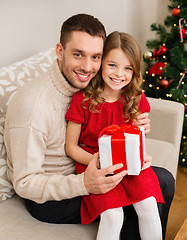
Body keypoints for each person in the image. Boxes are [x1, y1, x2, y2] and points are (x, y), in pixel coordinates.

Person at [4, 14, 174, 239]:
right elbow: (26, 183)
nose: (87, 67)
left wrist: (137, 128)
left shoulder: (86, 83)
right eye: (78, 54)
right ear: (60, 51)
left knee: (164, 181)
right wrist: (85, 183)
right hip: (52, 197)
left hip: (95, 166)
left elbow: (115, 109)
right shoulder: (32, 107)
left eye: (95, 57)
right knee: (131, 206)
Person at [65, 31, 164, 240]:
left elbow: (139, 135)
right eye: (112, 65)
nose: (119, 74)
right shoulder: (81, 100)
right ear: (101, 63)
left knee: (148, 205)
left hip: (129, 162)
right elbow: (71, 147)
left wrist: (143, 154)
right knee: (112, 216)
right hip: (96, 162)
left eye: (127, 68)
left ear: (135, 70)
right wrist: (98, 161)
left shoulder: (135, 97)